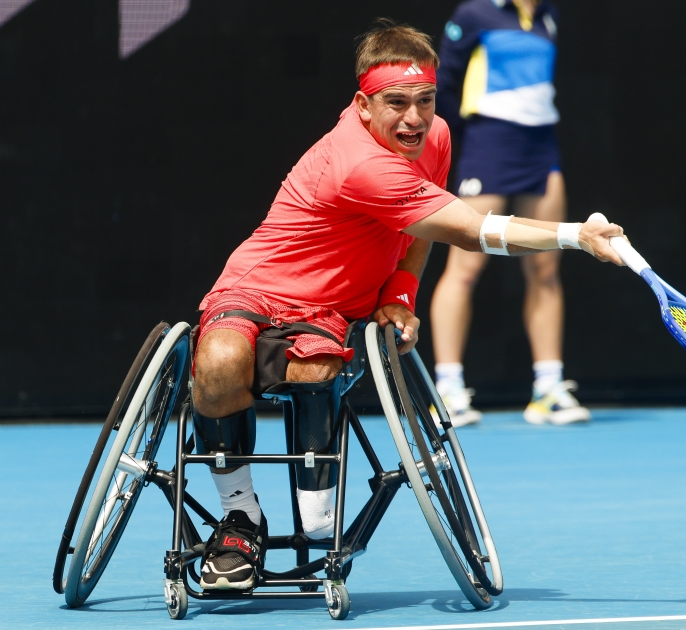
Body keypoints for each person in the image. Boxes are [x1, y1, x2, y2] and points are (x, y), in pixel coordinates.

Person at [190, 19, 626, 591]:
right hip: (256, 288)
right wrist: (573, 236)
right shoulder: (360, 162)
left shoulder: (435, 138)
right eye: (396, 103)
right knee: (221, 363)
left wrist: (399, 293)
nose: (414, 118)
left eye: (425, 100)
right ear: (363, 105)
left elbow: (425, 230)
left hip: (333, 310)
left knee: (318, 445)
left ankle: (313, 512)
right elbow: (470, 231)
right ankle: (240, 518)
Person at [429, 0, 588, 426]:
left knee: (546, 270)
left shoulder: (548, 15)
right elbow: (444, 83)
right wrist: (473, 136)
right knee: (464, 269)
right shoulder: (474, 14)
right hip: (488, 143)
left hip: (541, 146)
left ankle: (548, 388)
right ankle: (447, 388)